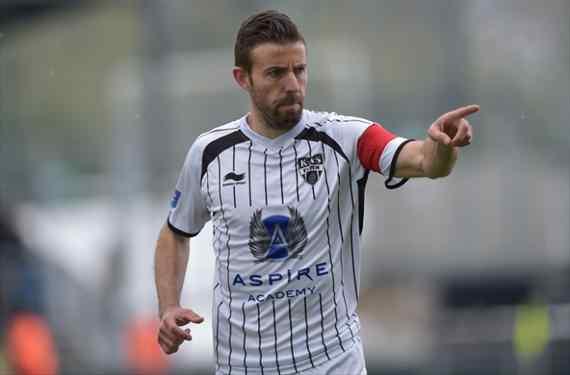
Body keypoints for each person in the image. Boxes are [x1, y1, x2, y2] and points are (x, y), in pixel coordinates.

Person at [154, 9, 478, 375]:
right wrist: (168, 305)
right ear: (242, 78)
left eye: (299, 70)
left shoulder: (347, 138)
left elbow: (424, 162)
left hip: (330, 362)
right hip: (242, 367)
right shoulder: (209, 153)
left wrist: (443, 147)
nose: (292, 83)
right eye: (275, 73)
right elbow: (175, 232)